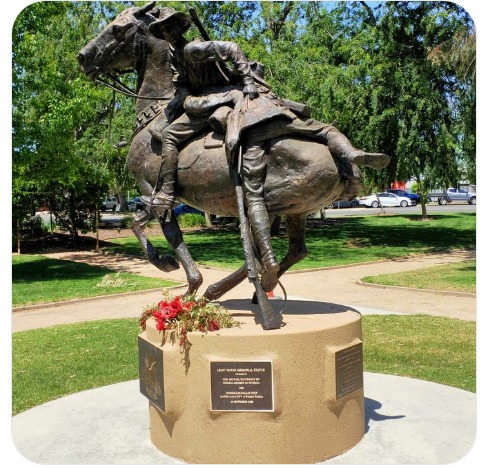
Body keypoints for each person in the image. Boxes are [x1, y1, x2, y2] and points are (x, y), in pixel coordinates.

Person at [144, 8, 389, 290]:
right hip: (208, 101)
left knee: (171, 136)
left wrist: (246, 81)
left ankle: (166, 191)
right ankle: (350, 155)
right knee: (321, 129)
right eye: (162, 30)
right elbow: (184, 88)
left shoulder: (193, 48)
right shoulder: (176, 56)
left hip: (217, 100)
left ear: (176, 28)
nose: (166, 33)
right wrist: (184, 99)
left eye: (168, 28)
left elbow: (231, 49)